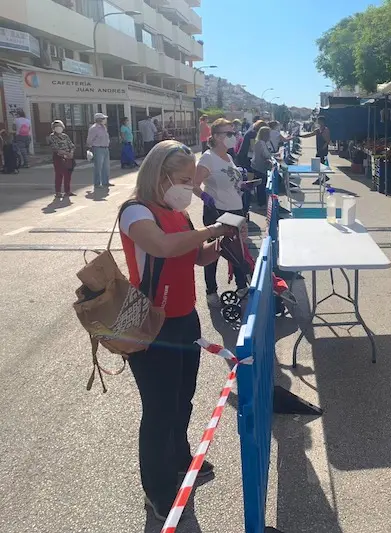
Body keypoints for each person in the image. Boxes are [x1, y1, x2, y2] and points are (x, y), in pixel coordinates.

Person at [119, 140, 234, 522]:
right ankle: (157, 490)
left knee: (182, 398)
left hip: (185, 318)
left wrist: (217, 243)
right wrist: (209, 230)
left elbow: (195, 256)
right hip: (150, 325)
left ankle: (181, 462)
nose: (190, 188)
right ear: (160, 175)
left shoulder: (179, 213)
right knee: (159, 409)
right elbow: (163, 247)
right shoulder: (135, 211)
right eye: (184, 180)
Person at [194, 118, 248, 306]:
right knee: (214, 252)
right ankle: (211, 291)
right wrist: (204, 197)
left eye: (234, 133)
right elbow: (194, 184)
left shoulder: (229, 156)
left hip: (236, 209)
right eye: (229, 134)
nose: (234, 137)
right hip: (217, 212)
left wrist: (242, 185)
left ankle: (242, 286)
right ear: (216, 137)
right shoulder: (208, 158)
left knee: (238, 251)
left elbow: (231, 182)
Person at [47, 120, 75, 199]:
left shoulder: (65, 136)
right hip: (58, 157)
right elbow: (55, 148)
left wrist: (71, 153)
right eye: (56, 127)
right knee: (59, 174)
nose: (58, 128)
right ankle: (58, 192)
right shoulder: (52, 136)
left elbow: (71, 145)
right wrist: (65, 153)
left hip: (68, 157)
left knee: (68, 174)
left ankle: (67, 191)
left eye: (59, 126)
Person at [300, 116, 331, 184]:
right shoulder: (317, 130)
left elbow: (328, 140)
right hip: (319, 149)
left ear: (322, 122)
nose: (318, 122)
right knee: (319, 164)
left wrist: (324, 147)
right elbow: (310, 134)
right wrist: (301, 136)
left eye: (319, 121)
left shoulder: (325, 130)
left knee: (320, 164)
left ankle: (321, 178)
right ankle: (323, 177)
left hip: (323, 150)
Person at [87, 112, 111, 190]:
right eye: (103, 118)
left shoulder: (104, 127)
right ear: (98, 119)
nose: (105, 120)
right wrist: (90, 148)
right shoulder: (94, 128)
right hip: (98, 148)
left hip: (105, 148)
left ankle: (105, 182)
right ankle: (97, 183)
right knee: (98, 166)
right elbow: (90, 139)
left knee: (106, 166)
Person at [251, 126, 273, 205]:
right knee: (261, 186)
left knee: (261, 185)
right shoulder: (261, 143)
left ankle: (261, 202)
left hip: (257, 166)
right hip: (259, 167)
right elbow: (266, 155)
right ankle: (262, 203)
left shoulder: (259, 142)